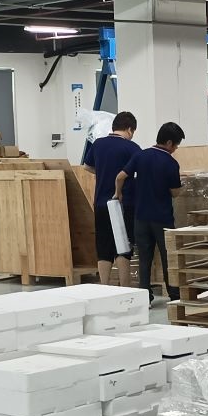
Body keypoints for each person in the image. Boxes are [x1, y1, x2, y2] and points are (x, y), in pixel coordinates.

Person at [117, 121, 183, 303]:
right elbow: (175, 193)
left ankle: (145, 297)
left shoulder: (140, 155)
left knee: (144, 258)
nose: (176, 148)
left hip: (141, 217)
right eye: (176, 145)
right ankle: (174, 295)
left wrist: (118, 194)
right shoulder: (171, 163)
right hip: (162, 219)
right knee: (168, 257)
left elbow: (120, 176)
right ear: (169, 143)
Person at [83, 111, 139, 286]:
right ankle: (124, 287)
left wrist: (102, 172)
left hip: (101, 203)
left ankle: (104, 286)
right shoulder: (132, 148)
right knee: (123, 246)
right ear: (129, 129)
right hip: (122, 204)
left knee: (103, 246)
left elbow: (87, 166)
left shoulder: (98, 144)